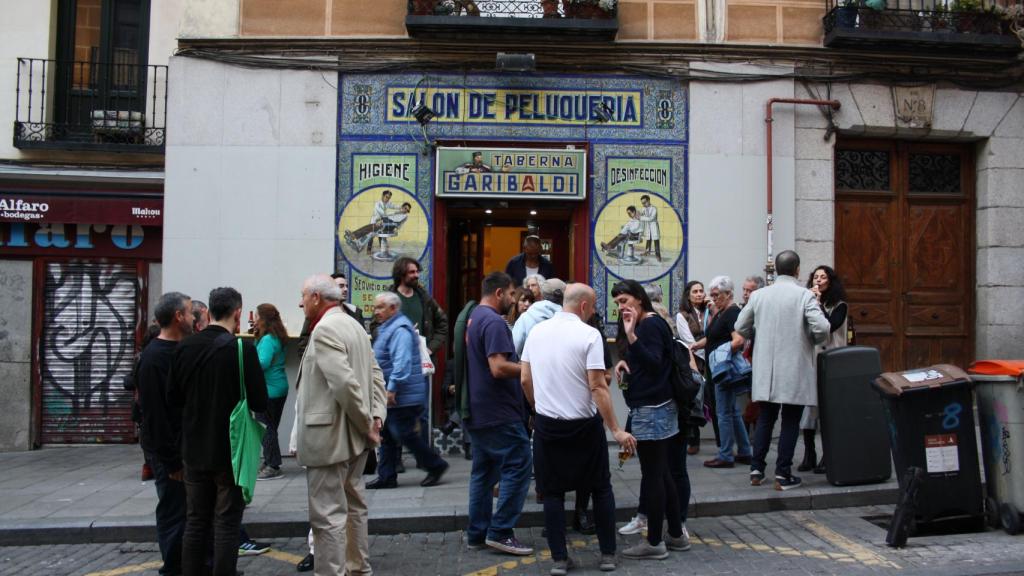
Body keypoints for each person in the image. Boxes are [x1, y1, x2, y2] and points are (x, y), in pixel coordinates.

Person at [521, 284, 635, 575]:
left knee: (553, 493)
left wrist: (538, 407)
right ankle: (608, 555)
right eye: (595, 305)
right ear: (583, 306)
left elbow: (524, 379)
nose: (596, 311)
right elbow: (598, 386)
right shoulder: (589, 335)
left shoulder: (537, 332)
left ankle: (560, 559)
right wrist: (616, 429)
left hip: (548, 426)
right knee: (600, 488)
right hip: (584, 426)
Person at [168, 287, 268, 576]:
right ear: (238, 313)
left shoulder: (184, 347)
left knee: (196, 519)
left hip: (193, 448)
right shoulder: (241, 349)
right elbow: (260, 401)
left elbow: (172, 398)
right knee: (226, 522)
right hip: (230, 450)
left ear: (208, 312)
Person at [295, 274, 387, 576]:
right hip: (354, 438)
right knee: (354, 508)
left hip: (332, 438)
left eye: (304, 297)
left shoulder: (326, 329)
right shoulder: (354, 326)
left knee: (328, 518)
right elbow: (375, 376)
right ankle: (358, 569)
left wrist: (368, 423)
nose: (301, 303)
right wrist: (376, 417)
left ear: (317, 298)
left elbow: (345, 384)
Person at [735, 251, 830, 490]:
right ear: (797, 269)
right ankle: (783, 473)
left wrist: (758, 333)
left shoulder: (758, 296)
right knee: (790, 421)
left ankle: (756, 469)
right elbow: (823, 329)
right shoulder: (804, 296)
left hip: (766, 369)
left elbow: (740, 326)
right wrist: (811, 338)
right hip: (794, 368)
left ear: (776, 269)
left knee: (766, 418)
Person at [611, 280, 687, 560]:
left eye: (625, 300)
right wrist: (624, 361)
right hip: (654, 406)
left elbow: (655, 363)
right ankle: (676, 535)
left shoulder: (650, 325)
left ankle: (654, 542)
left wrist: (631, 336)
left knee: (654, 477)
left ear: (640, 299)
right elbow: (647, 362)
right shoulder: (646, 324)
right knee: (662, 473)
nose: (622, 307)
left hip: (652, 409)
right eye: (618, 303)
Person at [464, 271, 534, 556]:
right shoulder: (494, 322)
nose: (514, 300)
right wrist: (531, 367)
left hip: (481, 410)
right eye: (511, 294)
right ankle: (501, 531)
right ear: (499, 294)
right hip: (498, 412)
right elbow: (498, 367)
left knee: (484, 472)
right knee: (520, 463)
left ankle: (477, 533)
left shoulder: (474, 317)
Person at [366, 292, 450, 489]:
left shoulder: (400, 330)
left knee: (403, 434)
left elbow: (401, 363)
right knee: (387, 433)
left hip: (403, 396)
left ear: (393, 308)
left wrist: (392, 389)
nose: (375, 311)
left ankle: (435, 465)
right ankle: (387, 476)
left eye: (380, 307)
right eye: (375, 307)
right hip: (395, 393)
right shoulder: (389, 327)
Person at [138, 292, 193, 576]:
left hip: (185, 448)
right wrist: (171, 462)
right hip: (170, 453)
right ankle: (173, 568)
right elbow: (155, 416)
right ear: (178, 317)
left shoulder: (180, 350)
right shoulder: (153, 358)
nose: (194, 317)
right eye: (190, 312)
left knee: (186, 511)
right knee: (173, 512)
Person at [691, 276, 751, 469]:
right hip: (717, 369)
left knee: (723, 412)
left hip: (722, 370)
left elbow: (738, 340)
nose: (713, 298)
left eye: (717, 295)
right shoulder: (721, 312)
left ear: (728, 294)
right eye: (713, 295)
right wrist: (695, 345)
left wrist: (720, 355)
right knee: (732, 411)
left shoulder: (732, 313)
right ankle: (744, 451)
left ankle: (726, 454)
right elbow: (711, 337)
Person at [798, 265, 849, 474]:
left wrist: (817, 304)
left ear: (830, 281)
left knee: (828, 409)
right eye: (815, 276)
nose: (818, 280)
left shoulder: (840, 305)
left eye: (823, 276)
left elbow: (827, 326)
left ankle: (829, 455)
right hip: (811, 360)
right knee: (808, 410)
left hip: (830, 360)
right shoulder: (808, 302)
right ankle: (809, 454)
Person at [673, 280, 713, 457]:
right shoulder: (682, 315)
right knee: (694, 401)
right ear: (688, 295)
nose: (699, 294)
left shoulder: (709, 312)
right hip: (694, 361)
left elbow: (717, 332)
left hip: (712, 359)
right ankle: (693, 440)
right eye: (695, 291)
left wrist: (712, 310)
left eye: (701, 291)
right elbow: (689, 342)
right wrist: (705, 347)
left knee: (712, 400)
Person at [254, 303, 289, 481]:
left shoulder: (268, 339)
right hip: (279, 388)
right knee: (270, 427)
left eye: (258, 316)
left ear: (264, 319)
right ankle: (269, 461)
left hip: (269, 390)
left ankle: (273, 465)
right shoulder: (277, 336)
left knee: (265, 428)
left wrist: (247, 363)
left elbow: (262, 362)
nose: (255, 319)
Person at [512, 278, 566, 356]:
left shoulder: (525, 317)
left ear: (542, 294)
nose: (527, 304)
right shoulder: (568, 317)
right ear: (563, 296)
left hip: (529, 365)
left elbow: (516, 345)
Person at [343, 190, 397, 256]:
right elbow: (382, 213)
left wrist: (400, 209)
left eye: (389, 198)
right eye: (386, 197)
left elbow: (393, 206)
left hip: (380, 223)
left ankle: (354, 237)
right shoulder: (378, 204)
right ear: (382, 196)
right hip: (375, 222)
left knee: (377, 235)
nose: (387, 199)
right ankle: (361, 244)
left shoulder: (387, 204)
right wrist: (388, 216)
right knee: (371, 235)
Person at [638, 195, 661, 262]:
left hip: (653, 227)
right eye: (642, 203)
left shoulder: (654, 208)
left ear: (648, 201)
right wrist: (638, 214)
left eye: (645, 202)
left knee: (656, 241)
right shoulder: (643, 209)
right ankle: (647, 252)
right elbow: (640, 214)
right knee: (648, 240)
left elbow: (651, 218)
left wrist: (641, 217)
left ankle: (658, 255)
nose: (643, 204)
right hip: (648, 227)